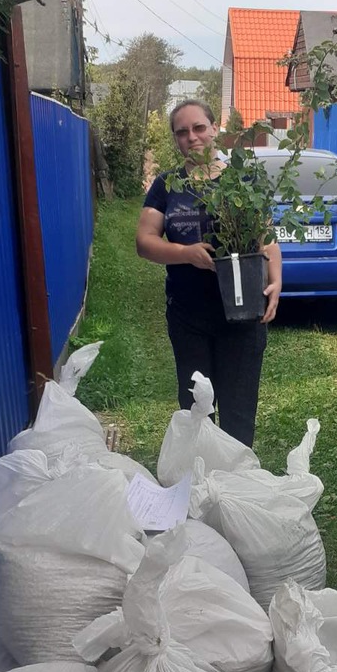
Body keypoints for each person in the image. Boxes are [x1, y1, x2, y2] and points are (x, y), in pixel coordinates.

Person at [136, 99, 282, 447]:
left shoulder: (243, 180)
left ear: (215, 129)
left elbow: (266, 239)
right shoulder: (167, 185)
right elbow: (144, 242)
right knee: (196, 410)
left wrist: (276, 280)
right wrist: (185, 254)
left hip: (242, 314)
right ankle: (199, 474)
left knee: (239, 412)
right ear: (175, 139)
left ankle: (235, 477)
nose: (192, 137)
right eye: (182, 132)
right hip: (189, 316)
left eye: (199, 128)